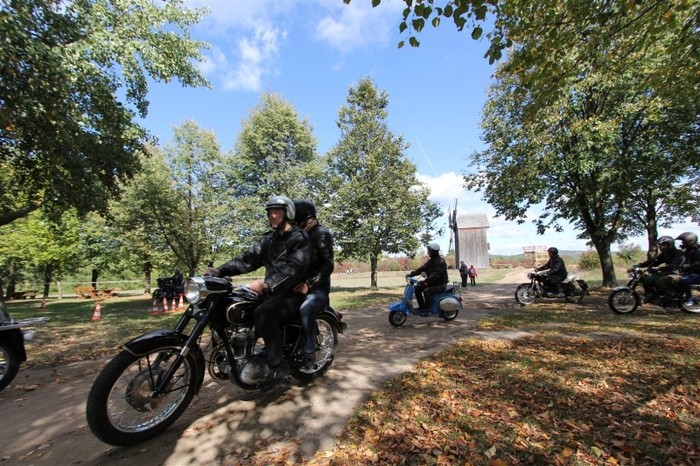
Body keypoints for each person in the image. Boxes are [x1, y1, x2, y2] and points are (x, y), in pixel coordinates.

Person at [204, 195, 309, 387]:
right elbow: (246, 260)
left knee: (264, 313)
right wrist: (220, 270)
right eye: (269, 212)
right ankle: (235, 356)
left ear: (289, 213)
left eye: (276, 212)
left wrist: (268, 283)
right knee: (230, 306)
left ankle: (276, 365)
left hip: (291, 293)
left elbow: (293, 269)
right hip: (272, 292)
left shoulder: (299, 239)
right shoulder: (268, 240)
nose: (271, 216)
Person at [293, 199, 334, 373]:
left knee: (305, 309)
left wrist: (309, 284)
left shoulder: (321, 233)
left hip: (317, 288)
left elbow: (328, 265)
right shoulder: (300, 235)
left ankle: (310, 350)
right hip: (296, 285)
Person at [632, 235, 685, 307]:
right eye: (661, 245)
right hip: (667, 272)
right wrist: (640, 265)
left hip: (678, 273)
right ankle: (652, 296)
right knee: (647, 279)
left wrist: (660, 269)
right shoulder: (665, 254)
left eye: (664, 245)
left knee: (661, 281)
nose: (662, 247)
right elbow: (654, 261)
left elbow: (675, 265)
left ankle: (670, 299)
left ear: (670, 244)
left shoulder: (678, 253)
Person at [407, 243, 448, 312]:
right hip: (432, 283)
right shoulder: (431, 261)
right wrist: (412, 274)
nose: (428, 252)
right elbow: (422, 268)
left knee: (427, 291)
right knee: (417, 288)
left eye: (429, 251)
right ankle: (422, 307)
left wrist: (426, 281)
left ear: (434, 251)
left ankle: (428, 309)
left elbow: (436, 275)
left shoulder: (441, 262)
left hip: (440, 285)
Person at [676, 232, 700, 307]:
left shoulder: (697, 251)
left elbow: (698, 264)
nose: (682, 243)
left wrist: (687, 266)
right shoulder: (687, 251)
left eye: (683, 241)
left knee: (685, 280)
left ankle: (689, 299)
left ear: (689, 241)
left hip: (698, 273)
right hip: (691, 272)